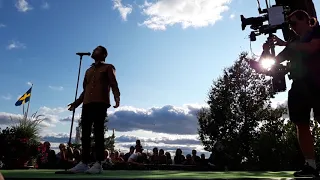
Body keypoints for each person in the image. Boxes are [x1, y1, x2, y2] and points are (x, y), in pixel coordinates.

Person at [263, 10, 320, 177]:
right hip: (299, 86)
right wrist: (266, 51)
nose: (292, 27)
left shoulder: (317, 30)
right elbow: (272, 63)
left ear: (305, 20)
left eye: (294, 23)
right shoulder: (293, 42)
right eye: (290, 25)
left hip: (317, 83)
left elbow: (312, 48)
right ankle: (311, 165)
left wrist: (286, 44)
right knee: (301, 124)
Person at [67, 45, 121, 174]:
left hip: (100, 103)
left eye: (97, 49)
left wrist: (116, 97)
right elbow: (85, 90)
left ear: (103, 54)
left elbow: (113, 83)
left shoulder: (108, 67)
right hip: (87, 103)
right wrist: (76, 103)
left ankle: (98, 163)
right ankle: (84, 163)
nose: (94, 51)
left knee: (98, 132)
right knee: (85, 134)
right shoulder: (88, 70)